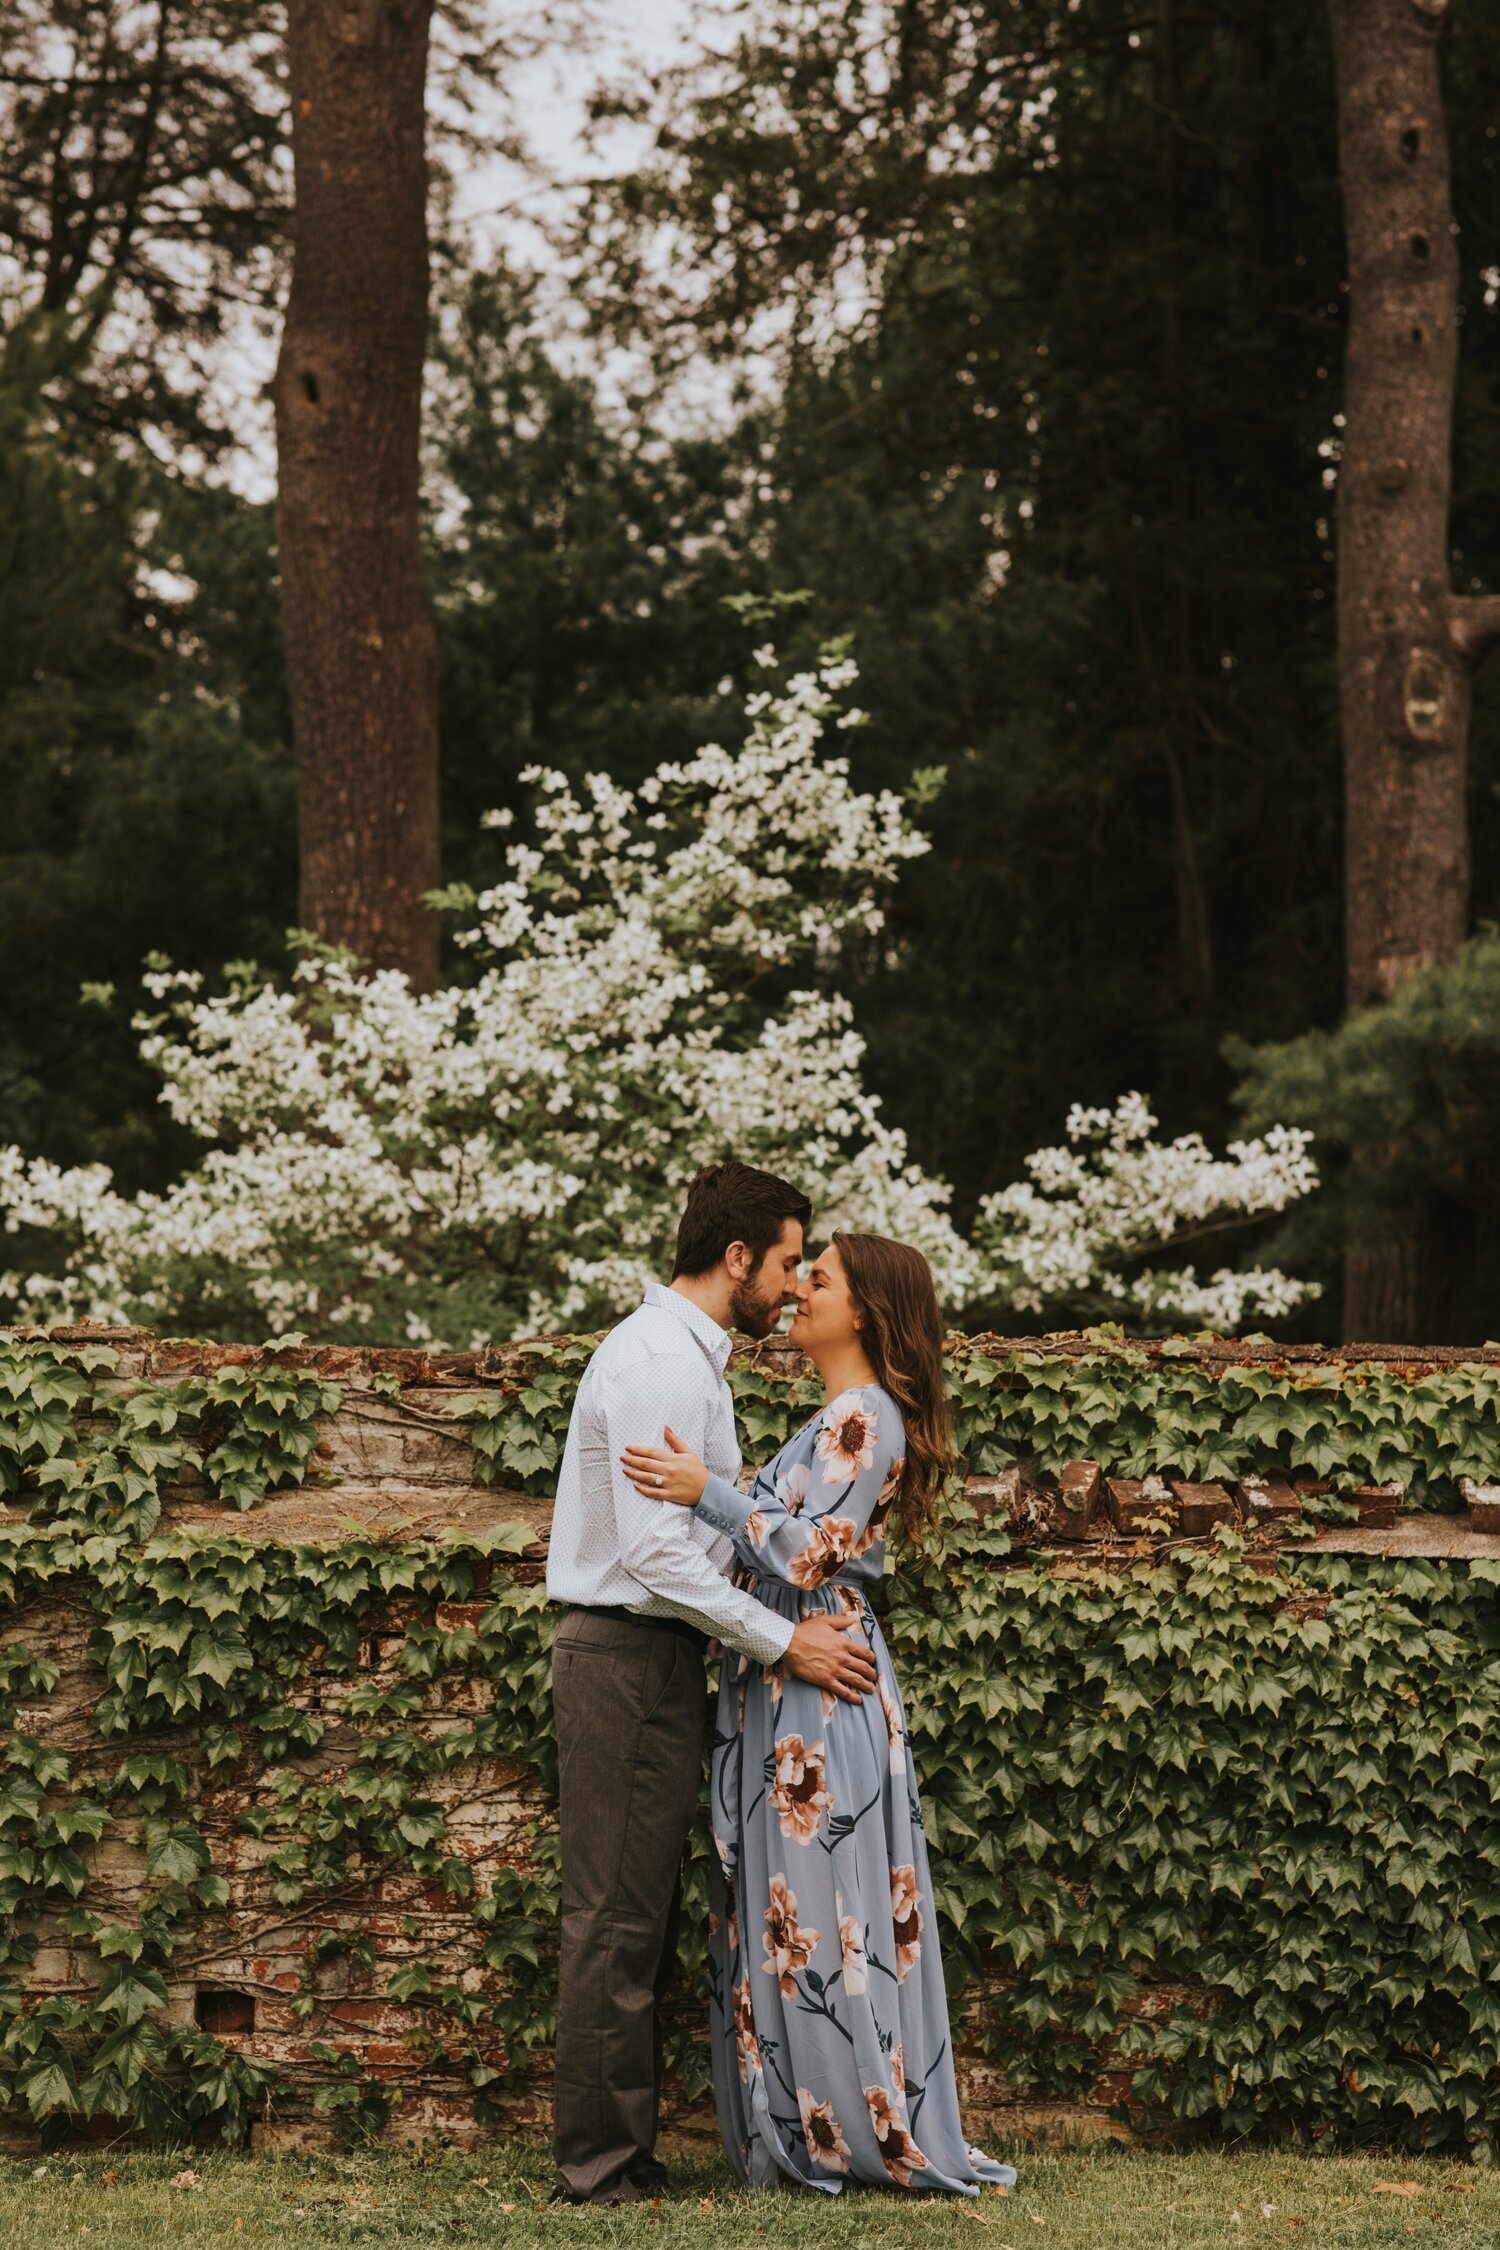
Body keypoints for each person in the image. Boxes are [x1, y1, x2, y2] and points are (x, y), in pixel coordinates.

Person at [620, 1229, 1017, 2198]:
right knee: (789, 1901)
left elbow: (808, 1555)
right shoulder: (838, 1414)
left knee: (819, 1902)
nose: (797, 1290)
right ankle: (805, 2123)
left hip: (817, 1672)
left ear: (867, 1312)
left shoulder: (864, 1415)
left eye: (819, 1279)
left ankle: (846, 2129)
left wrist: (703, 1493)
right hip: (786, 1666)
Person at [546, 1163, 881, 2206]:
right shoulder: (659, 1364)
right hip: (625, 1655)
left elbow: (706, 1533)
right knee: (612, 1916)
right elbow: (657, 1558)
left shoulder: (685, 1358)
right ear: (736, 1258)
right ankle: (599, 2173)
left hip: (649, 1658)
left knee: (630, 1913)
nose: (791, 1284)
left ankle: (619, 2156)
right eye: (786, 1262)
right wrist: (785, 1648)